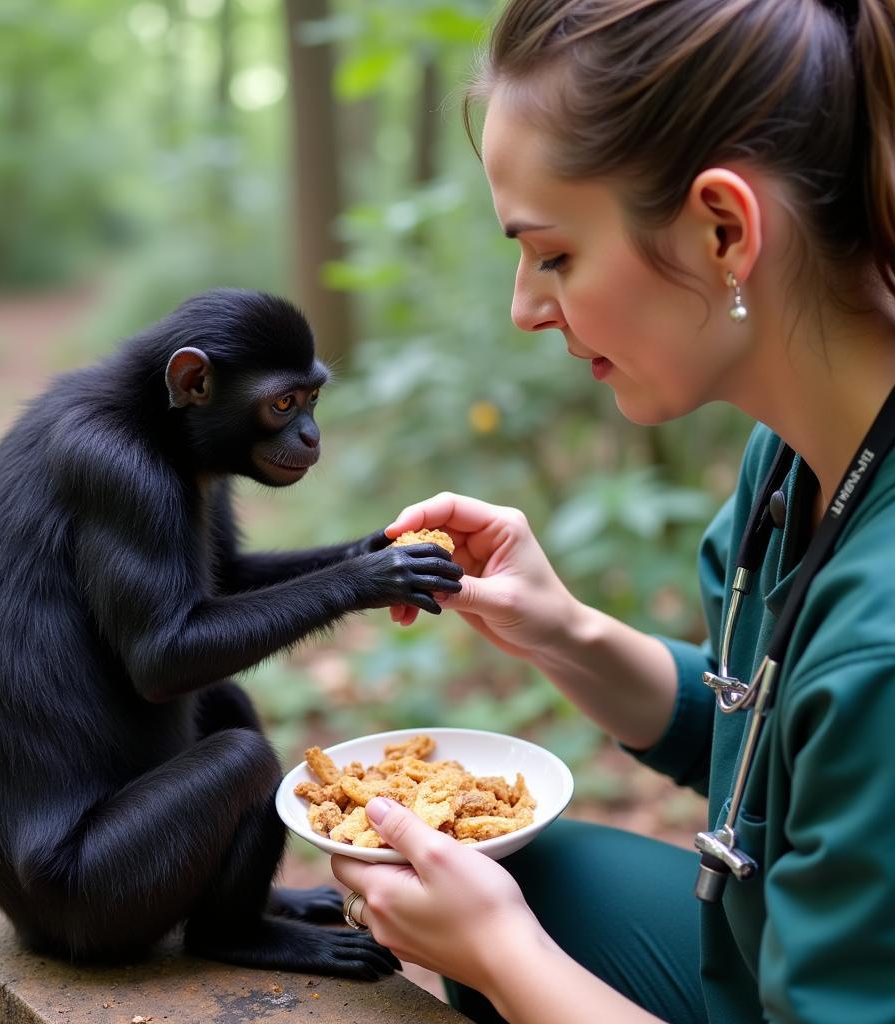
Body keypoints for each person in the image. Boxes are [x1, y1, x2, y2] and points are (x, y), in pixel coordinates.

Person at [330, 1, 895, 1022]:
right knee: (534, 877)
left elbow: (849, 707)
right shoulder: (796, 458)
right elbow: (756, 733)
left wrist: (501, 955)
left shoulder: (883, 646)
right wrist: (563, 631)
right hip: (766, 950)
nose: (525, 306)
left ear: (722, 229)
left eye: (552, 254)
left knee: (508, 922)